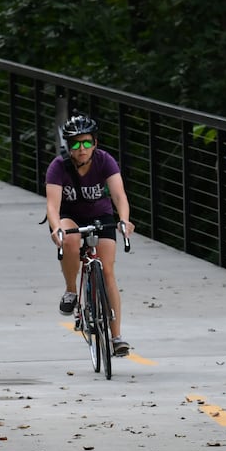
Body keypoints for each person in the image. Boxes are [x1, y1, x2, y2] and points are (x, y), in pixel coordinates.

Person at [44, 114, 136, 357]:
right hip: (70, 217)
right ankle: (71, 290)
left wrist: (124, 219)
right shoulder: (58, 166)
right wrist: (56, 228)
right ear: (68, 146)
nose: (81, 149)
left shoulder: (105, 161)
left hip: (101, 216)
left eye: (86, 143)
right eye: (75, 144)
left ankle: (116, 337)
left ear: (95, 143)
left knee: (107, 271)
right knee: (70, 239)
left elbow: (119, 196)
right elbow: (52, 206)